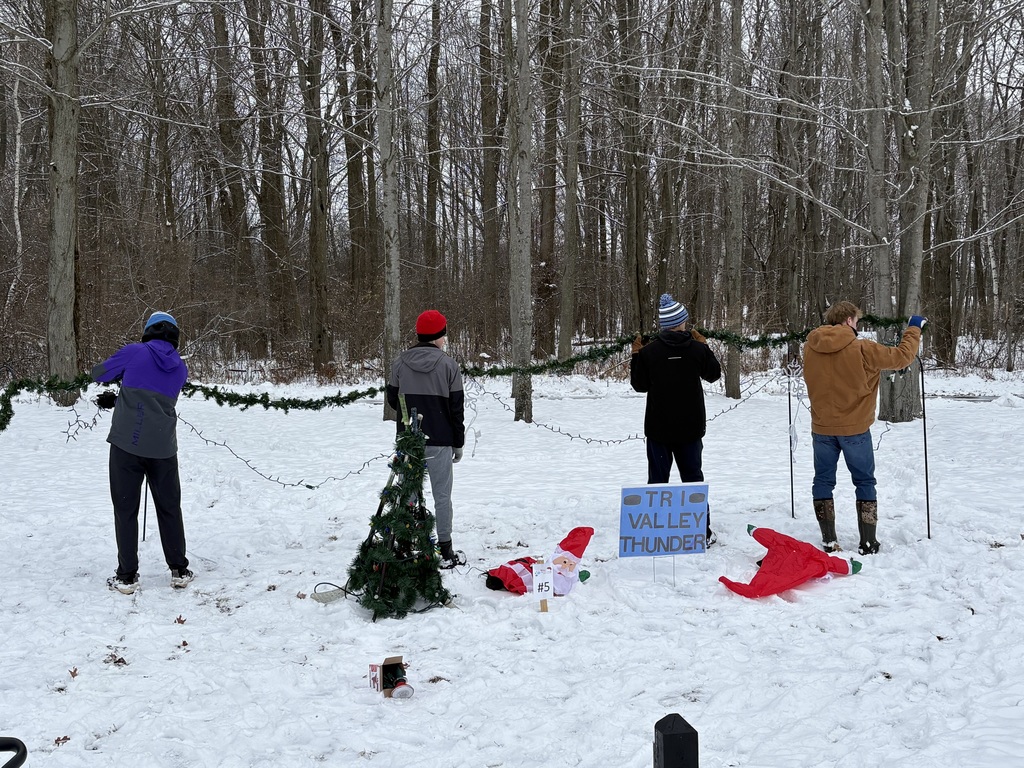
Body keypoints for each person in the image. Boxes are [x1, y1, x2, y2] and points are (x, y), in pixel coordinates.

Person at [802, 301, 925, 555]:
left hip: (822, 427)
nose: (857, 326)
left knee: (823, 480)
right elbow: (902, 357)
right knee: (865, 481)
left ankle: (828, 539)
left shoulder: (810, 347)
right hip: (855, 429)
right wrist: (914, 328)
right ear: (848, 320)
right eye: (856, 321)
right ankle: (868, 542)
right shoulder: (862, 348)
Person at [91, 311, 192, 594]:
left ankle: (127, 576)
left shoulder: (135, 352)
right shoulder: (181, 368)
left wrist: (118, 390)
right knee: (170, 508)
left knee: (125, 510)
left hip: (127, 444)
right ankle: (179, 569)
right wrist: (123, 396)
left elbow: (99, 374)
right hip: (163, 447)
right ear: (174, 337)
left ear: (148, 332)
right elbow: (153, 396)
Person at [630, 293, 722, 543]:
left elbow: (639, 385)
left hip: (658, 429)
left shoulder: (650, 352)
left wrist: (636, 356)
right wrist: (705, 347)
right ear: (682, 323)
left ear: (662, 325)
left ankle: (654, 532)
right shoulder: (696, 349)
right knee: (693, 477)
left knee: (658, 479)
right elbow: (714, 374)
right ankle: (701, 532)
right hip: (690, 429)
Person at [386, 310, 466, 568]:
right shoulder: (449, 366)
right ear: (438, 336)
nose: (445, 339)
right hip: (441, 441)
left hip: (409, 440)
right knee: (442, 495)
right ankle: (445, 548)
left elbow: (392, 400)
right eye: (444, 334)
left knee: (407, 492)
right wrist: (458, 442)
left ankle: (406, 543)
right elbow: (456, 409)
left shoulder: (399, 363)